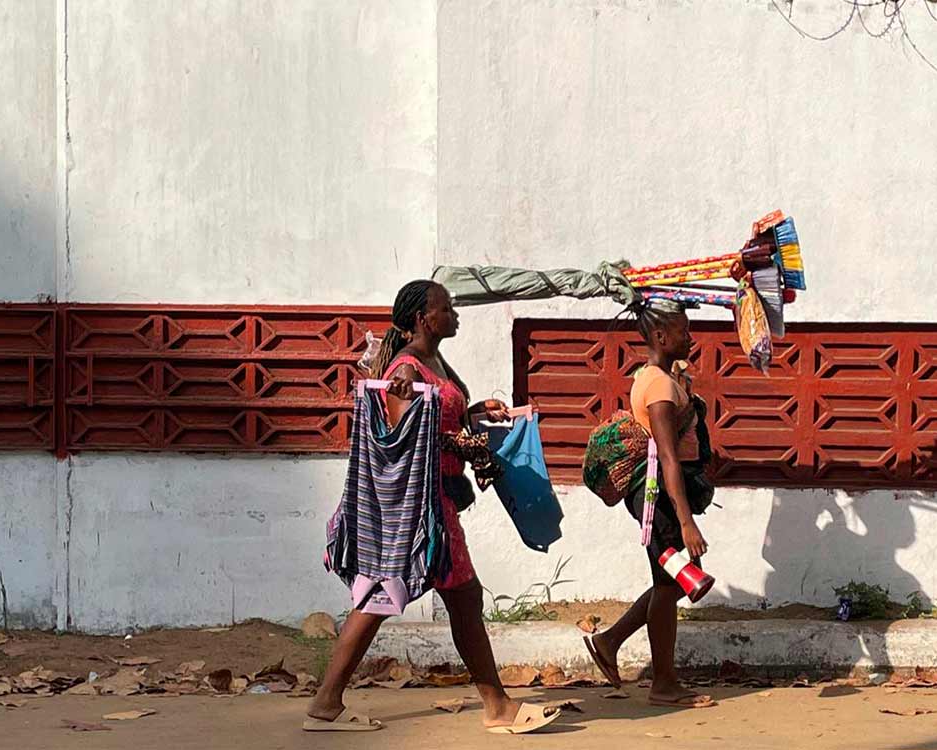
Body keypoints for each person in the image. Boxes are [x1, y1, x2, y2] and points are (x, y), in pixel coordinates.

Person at [305, 280, 561, 735]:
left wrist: (478, 413)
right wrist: (460, 442)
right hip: (422, 507)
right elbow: (403, 437)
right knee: (409, 597)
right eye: (447, 308)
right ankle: (495, 706)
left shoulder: (434, 362)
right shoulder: (406, 369)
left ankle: (329, 701)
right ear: (424, 318)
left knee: (424, 597)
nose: (455, 314)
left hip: (439, 501)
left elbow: (440, 419)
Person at [583, 298, 716, 709]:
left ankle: (609, 642)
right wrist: (686, 520)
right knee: (671, 583)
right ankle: (663, 683)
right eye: (683, 330)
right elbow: (669, 456)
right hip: (659, 498)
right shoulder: (658, 386)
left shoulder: (661, 377)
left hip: (660, 495)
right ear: (661, 336)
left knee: (671, 583)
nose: (690, 337)